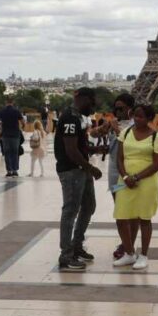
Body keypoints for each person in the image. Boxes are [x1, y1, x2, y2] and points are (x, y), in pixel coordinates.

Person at [54, 87, 104, 271]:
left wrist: (94, 151)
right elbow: (71, 150)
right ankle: (66, 255)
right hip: (72, 170)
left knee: (89, 206)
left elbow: (78, 147)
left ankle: (76, 245)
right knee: (70, 211)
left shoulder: (77, 118)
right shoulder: (70, 118)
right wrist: (91, 167)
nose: (92, 108)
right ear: (82, 99)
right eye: (91, 104)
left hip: (80, 168)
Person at [113, 103, 158, 270]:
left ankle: (143, 255)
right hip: (125, 180)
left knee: (144, 218)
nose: (136, 119)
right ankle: (129, 253)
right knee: (121, 217)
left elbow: (157, 164)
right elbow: (119, 158)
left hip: (147, 182)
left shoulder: (157, 137)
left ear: (149, 119)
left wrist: (136, 177)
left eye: (141, 116)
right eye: (135, 115)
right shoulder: (125, 132)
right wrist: (126, 176)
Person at [104, 93, 136, 259]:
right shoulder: (114, 123)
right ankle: (126, 243)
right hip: (114, 173)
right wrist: (102, 129)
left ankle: (127, 245)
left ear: (130, 109)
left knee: (129, 210)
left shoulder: (135, 124)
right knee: (120, 209)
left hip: (128, 173)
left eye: (121, 108)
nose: (117, 111)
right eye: (115, 108)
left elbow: (131, 143)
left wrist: (116, 128)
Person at [0, 97, 25, 177]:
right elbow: (23, 122)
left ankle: (9, 171)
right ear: (13, 102)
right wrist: (22, 127)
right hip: (15, 135)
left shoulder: (3, 111)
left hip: (5, 135)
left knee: (7, 153)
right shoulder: (16, 111)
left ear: (6, 102)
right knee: (15, 153)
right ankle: (15, 170)